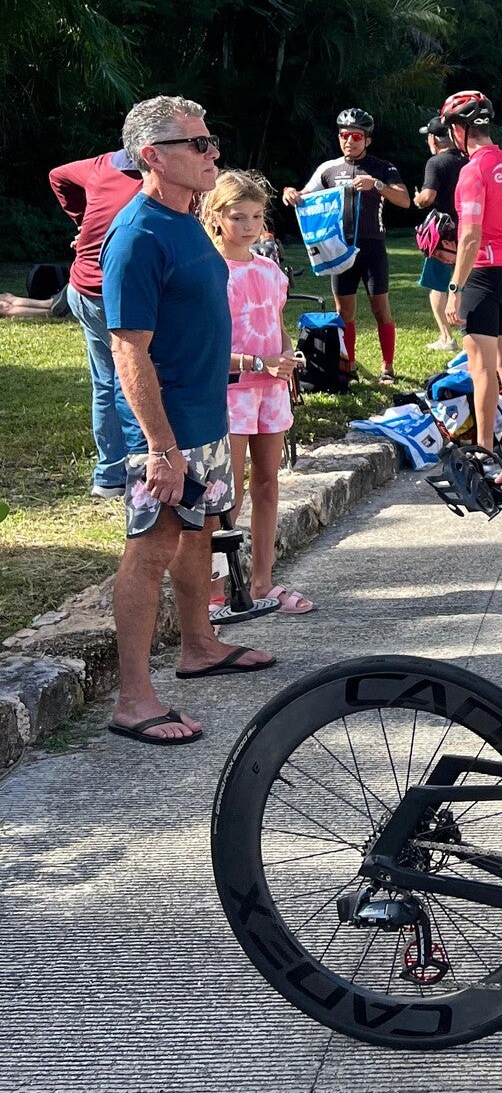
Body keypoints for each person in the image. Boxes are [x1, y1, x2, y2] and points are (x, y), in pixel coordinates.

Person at [101, 97, 277, 746]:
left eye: (211, 142)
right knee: (150, 549)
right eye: (197, 145)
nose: (213, 155)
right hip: (165, 434)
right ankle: (134, 700)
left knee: (197, 532)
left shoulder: (186, 223)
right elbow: (128, 350)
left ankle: (199, 646)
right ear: (153, 157)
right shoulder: (138, 235)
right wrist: (160, 448)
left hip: (205, 423)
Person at [202, 170, 312, 616]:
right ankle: (215, 591)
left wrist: (287, 357)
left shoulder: (270, 271)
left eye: (256, 216)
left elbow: (277, 330)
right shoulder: (209, 273)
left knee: (268, 483)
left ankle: (263, 582)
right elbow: (205, 349)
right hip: (232, 394)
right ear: (215, 217)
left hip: (272, 392)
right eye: (238, 216)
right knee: (226, 492)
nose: (248, 226)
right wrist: (255, 363)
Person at [442, 90, 502, 455]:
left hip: (480, 276)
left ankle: (484, 449)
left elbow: (469, 237)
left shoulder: (473, 171)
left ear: (460, 131)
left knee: (481, 368)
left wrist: (455, 288)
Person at [282, 109, 409, 384]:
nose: (349, 141)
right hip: (339, 248)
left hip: (372, 247)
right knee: (344, 312)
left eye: (356, 136)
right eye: (344, 135)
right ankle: (347, 366)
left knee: (380, 308)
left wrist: (375, 185)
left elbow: (404, 200)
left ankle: (387, 367)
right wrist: (290, 194)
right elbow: (303, 195)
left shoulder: (382, 167)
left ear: (367, 140)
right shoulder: (329, 169)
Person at [47, 145, 143, 496]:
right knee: (131, 381)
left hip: (83, 288)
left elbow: (59, 175)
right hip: (111, 294)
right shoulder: (159, 182)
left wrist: (82, 220)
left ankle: (109, 475)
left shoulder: (103, 165)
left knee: (107, 382)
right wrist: (82, 220)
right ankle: (139, 471)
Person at [414, 114, 467, 349]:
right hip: (469, 231)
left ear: (434, 140)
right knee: (465, 283)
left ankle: (446, 337)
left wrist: (417, 199)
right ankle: (470, 334)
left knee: (437, 286)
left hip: (444, 235)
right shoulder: (467, 159)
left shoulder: (435, 163)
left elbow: (428, 197)